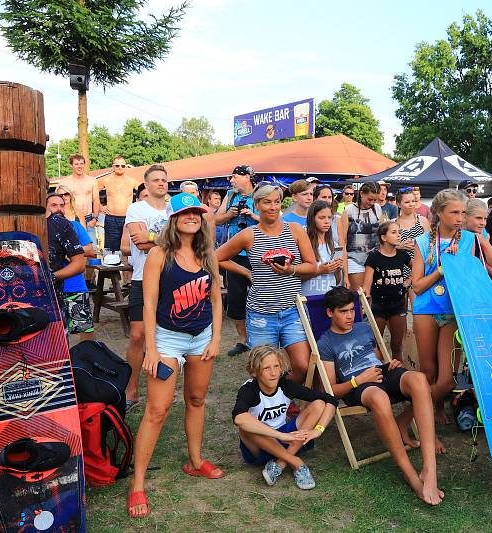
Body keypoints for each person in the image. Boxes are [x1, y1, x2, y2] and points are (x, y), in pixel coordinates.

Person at [127, 193, 224, 519]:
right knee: (157, 410)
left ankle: (195, 462)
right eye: (185, 213)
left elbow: (215, 300)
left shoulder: (208, 253)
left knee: (196, 400)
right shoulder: (159, 254)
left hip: (201, 339)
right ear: (173, 219)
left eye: (197, 212)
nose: (192, 217)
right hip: (167, 340)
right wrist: (151, 349)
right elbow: (149, 304)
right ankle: (138, 483)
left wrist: (216, 337)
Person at [317, 287, 443, 505]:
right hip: (357, 386)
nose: (349, 316)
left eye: (351, 310)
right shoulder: (326, 343)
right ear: (330, 313)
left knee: (420, 380)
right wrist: (359, 379)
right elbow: (331, 390)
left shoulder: (364, 329)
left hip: (379, 373)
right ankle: (411, 475)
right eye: (343, 312)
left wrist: (389, 365)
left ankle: (429, 470)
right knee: (379, 397)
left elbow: (374, 359)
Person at [217, 183, 317, 382]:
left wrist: (291, 269)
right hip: (261, 313)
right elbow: (217, 257)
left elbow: (312, 266)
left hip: (292, 311)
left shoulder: (295, 230)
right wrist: (246, 271)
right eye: (267, 202)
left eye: (277, 202)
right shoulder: (248, 235)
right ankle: (271, 402)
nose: (273, 207)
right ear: (256, 204)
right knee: (263, 368)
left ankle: (284, 393)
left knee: (303, 366)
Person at [233, 345, 336, 489]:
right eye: (266, 368)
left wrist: (318, 430)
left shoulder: (286, 386)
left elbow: (330, 400)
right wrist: (281, 436)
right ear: (255, 372)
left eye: (276, 366)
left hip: (288, 442)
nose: (273, 373)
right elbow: (238, 419)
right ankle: (297, 463)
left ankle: (280, 464)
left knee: (318, 404)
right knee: (246, 427)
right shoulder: (249, 390)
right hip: (260, 447)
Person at [411, 189, 471, 428]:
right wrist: (441, 269)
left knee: (447, 378)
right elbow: (417, 286)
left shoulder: (468, 240)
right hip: (426, 309)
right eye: (454, 212)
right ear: (437, 213)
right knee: (428, 369)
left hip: (453, 311)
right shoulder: (423, 241)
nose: (459, 218)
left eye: (463, 213)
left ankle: (413, 415)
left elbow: (470, 280)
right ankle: (432, 410)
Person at [124, 165, 169, 409]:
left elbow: (190, 240)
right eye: (156, 180)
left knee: (165, 336)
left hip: (172, 277)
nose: (161, 183)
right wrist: (173, 238)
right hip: (143, 278)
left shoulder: (175, 208)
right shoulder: (137, 208)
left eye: (164, 180)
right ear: (146, 184)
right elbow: (140, 244)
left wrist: (152, 238)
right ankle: (131, 390)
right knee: (138, 335)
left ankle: (161, 387)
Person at [215, 165, 259, 357]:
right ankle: (243, 340)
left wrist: (253, 215)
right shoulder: (230, 195)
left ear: (247, 177)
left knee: (262, 294)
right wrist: (230, 215)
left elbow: (272, 219)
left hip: (258, 251)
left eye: (234, 177)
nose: (231, 181)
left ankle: (263, 336)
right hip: (234, 253)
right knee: (236, 298)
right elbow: (217, 220)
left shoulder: (260, 194)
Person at [364, 222, 411, 361]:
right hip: (379, 305)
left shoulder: (402, 255)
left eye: (399, 232)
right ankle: (378, 375)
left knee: (397, 345)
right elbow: (367, 285)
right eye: (394, 232)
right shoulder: (374, 257)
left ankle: (398, 376)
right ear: (383, 237)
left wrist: (408, 283)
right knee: (377, 345)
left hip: (398, 305)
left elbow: (418, 269)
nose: (398, 235)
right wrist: (365, 297)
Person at [56, 186, 96, 340]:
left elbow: (91, 250)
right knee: (57, 334)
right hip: (52, 288)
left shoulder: (75, 225)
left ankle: (86, 361)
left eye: (63, 201)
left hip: (75, 285)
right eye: (54, 204)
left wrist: (70, 251)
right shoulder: (42, 228)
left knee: (84, 329)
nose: (59, 207)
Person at [339, 181, 383, 291]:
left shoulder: (377, 208)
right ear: (362, 193)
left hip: (375, 258)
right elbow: (342, 241)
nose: (372, 202)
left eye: (374, 200)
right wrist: (344, 273)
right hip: (355, 259)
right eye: (369, 199)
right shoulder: (349, 210)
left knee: (372, 296)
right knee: (359, 296)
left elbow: (383, 234)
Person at [97, 156, 142, 253]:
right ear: (113, 166)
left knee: (129, 247)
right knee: (111, 249)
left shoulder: (132, 181)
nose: (120, 167)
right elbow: (93, 193)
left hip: (128, 218)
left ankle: (128, 267)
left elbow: (145, 192)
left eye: (123, 165)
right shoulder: (106, 180)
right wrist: (100, 207)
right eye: (117, 165)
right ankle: (113, 267)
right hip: (111, 218)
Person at [302, 200, 346, 296]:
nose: (327, 221)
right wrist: (319, 271)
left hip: (330, 299)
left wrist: (338, 268)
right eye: (321, 217)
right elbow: (296, 277)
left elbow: (337, 281)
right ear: (312, 219)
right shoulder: (304, 243)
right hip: (309, 298)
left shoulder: (334, 245)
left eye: (329, 218)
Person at [396, 187, 431, 292]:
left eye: (413, 201)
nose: (411, 204)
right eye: (407, 202)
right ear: (398, 204)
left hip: (418, 268)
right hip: (398, 268)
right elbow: (385, 248)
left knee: (416, 304)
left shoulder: (423, 221)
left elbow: (431, 244)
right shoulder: (393, 223)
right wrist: (400, 246)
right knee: (399, 305)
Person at [58, 154, 99, 239]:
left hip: (89, 218)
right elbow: (59, 201)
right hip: (72, 218)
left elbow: (96, 200)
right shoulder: (64, 182)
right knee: (73, 246)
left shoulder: (92, 181)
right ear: (71, 165)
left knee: (91, 248)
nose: (79, 166)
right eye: (76, 164)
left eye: (81, 163)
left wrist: (95, 218)